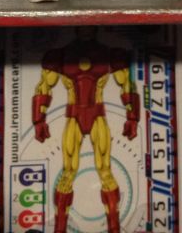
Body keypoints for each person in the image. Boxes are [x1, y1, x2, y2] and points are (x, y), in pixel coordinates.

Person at [32, 28, 140, 233]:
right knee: (68, 172)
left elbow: (127, 84)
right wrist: (39, 121)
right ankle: (60, 229)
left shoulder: (109, 54)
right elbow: (44, 87)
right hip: (74, 118)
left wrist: (132, 118)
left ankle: (114, 228)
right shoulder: (60, 55)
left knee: (105, 171)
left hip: (97, 116)